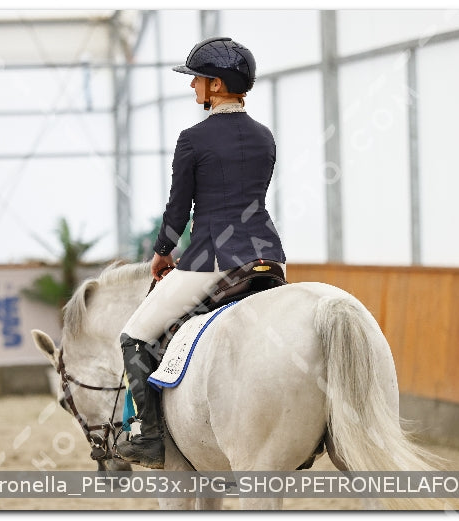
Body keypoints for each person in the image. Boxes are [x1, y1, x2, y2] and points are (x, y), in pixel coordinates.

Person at [115, 36, 286, 469]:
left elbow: (179, 209)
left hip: (214, 259)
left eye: (197, 79)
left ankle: (148, 436)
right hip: (270, 258)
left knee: (134, 336)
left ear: (216, 85)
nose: (193, 86)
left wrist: (162, 252)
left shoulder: (193, 138)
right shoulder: (265, 137)